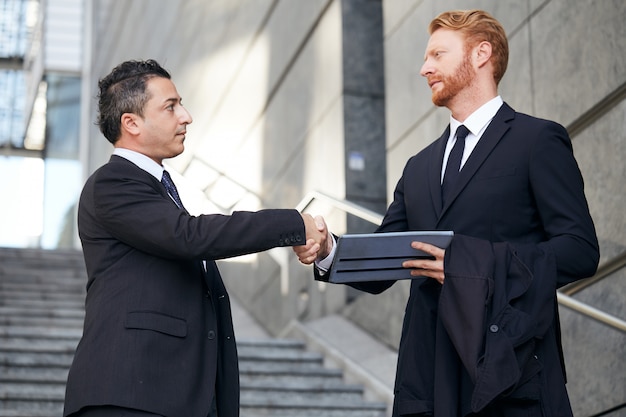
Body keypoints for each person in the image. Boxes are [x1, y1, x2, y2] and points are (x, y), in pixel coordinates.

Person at [294, 9, 599, 417]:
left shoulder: (537, 140)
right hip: (427, 382)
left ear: (481, 54)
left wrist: (471, 264)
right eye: (425, 57)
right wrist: (328, 248)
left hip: (509, 372)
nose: (424, 68)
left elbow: (580, 251)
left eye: (438, 54)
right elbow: (385, 260)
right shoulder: (418, 166)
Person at [63, 59, 325, 417]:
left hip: (173, 395)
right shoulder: (113, 182)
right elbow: (191, 236)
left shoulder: (158, 189)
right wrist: (293, 223)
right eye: (170, 106)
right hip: (128, 395)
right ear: (132, 123)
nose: (186, 116)